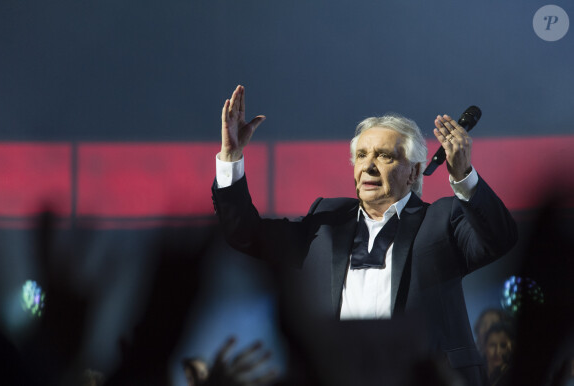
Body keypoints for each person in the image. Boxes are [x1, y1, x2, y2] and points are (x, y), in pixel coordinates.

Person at [211, 85, 518, 386]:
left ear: (413, 172)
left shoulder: (442, 220)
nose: (368, 166)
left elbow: (500, 238)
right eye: (361, 155)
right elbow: (245, 233)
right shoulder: (324, 221)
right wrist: (231, 157)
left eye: (384, 156)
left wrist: (464, 176)